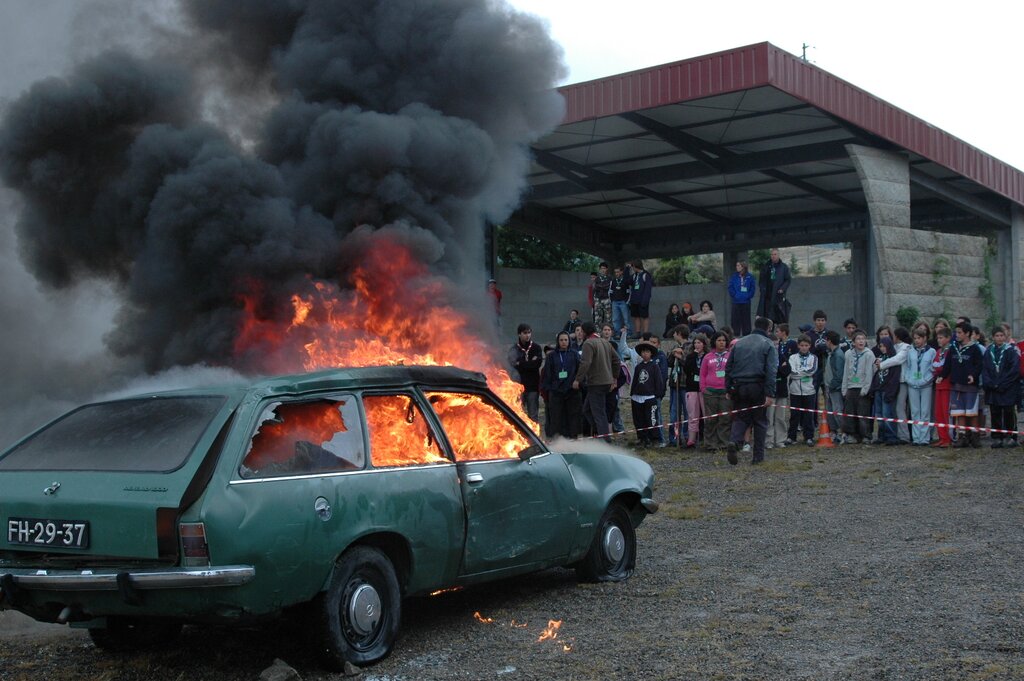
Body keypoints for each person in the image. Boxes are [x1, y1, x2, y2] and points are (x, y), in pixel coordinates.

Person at [725, 315, 778, 465]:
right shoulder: (768, 344)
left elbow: (728, 367)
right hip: (758, 385)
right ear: (768, 329)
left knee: (741, 417)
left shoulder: (739, 343)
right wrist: (769, 393)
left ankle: (734, 441)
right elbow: (771, 370)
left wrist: (728, 388)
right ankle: (758, 457)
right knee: (760, 421)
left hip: (740, 386)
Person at [573, 322, 621, 443]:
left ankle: (605, 440)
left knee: (599, 413)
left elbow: (586, 363)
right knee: (587, 410)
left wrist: (578, 379)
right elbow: (617, 360)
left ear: (584, 332)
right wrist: (614, 378)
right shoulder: (605, 342)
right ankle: (600, 433)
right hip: (606, 382)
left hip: (596, 383)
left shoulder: (588, 343)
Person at [941, 321, 984, 448]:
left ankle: (975, 436)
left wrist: (973, 375)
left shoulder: (975, 348)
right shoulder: (953, 347)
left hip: (970, 386)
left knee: (971, 412)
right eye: (956, 332)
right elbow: (948, 364)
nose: (957, 335)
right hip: (956, 385)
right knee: (959, 412)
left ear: (967, 333)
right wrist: (941, 376)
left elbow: (979, 365)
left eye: (959, 332)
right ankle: (962, 436)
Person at [982, 326, 1020, 448]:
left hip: (1007, 388)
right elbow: (985, 369)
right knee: (995, 412)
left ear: (1005, 336)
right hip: (994, 388)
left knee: (1008, 412)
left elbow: (1014, 370)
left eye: (1001, 335)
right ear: (993, 337)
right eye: (997, 336)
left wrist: (1003, 383)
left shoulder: (1010, 351)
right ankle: (997, 437)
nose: (999, 338)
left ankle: (1010, 436)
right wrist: (991, 383)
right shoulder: (989, 351)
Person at [541, 332, 582, 439]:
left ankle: (573, 438)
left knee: (572, 416)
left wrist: (578, 382)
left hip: (571, 391)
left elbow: (579, 370)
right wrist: (550, 387)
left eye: (566, 340)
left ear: (569, 341)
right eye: (561, 340)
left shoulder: (574, 354)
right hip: (556, 391)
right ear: (558, 342)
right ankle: (557, 439)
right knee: (556, 417)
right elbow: (547, 373)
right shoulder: (552, 356)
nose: (564, 342)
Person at [842, 329, 877, 444]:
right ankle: (852, 434)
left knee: (863, 414)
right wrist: (844, 388)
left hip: (862, 387)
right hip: (851, 387)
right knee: (850, 413)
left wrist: (866, 389)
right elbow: (846, 372)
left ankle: (866, 435)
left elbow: (869, 373)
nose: (861, 341)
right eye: (858, 339)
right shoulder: (848, 354)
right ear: (853, 342)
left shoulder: (868, 354)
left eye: (863, 339)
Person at [878, 327, 912, 443]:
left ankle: (904, 436)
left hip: (902, 381)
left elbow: (897, 359)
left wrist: (881, 364)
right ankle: (895, 433)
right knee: (893, 409)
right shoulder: (895, 346)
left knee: (900, 408)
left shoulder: (906, 347)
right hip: (893, 381)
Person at [700, 331, 732, 450]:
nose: (721, 343)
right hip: (710, 392)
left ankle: (724, 443)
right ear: (714, 342)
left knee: (725, 418)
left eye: (723, 340)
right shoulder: (708, 357)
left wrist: (731, 389)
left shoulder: (730, 356)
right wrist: (703, 389)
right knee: (711, 419)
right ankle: (710, 444)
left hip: (725, 392)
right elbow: (702, 374)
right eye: (719, 340)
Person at [630, 341, 666, 447]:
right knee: (639, 419)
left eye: (647, 352)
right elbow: (635, 380)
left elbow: (659, 382)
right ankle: (642, 438)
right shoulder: (638, 367)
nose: (645, 354)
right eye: (643, 352)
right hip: (637, 397)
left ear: (651, 354)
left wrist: (658, 395)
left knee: (651, 419)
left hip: (650, 397)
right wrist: (633, 393)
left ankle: (654, 439)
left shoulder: (654, 366)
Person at [905, 328, 936, 446]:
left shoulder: (931, 351)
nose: (917, 341)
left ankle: (925, 438)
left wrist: (925, 380)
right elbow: (908, 367)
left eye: (919, 338)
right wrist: (909, 379)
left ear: (925, 338)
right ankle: (916, 437)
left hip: (926, 385)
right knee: (915, 411)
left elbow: (933, 368)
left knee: (925, 412)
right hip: (912, 384)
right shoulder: (910, 351)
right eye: (915, 338)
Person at [786, 334, 818, 446]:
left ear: (810, 346)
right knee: (794, 415)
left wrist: (800, 372)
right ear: (798, 346)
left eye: (806, 345)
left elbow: (811, 371)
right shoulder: (792, 357)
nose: (804, 347)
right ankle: (791, 436)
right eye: (802, 345)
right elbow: (792, 372)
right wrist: (803, 373)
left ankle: (809, 436)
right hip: (795, 390)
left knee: (808, 415)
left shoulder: (813, 357)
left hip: (809, 390)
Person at [768, 323, 796, 449]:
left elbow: (786, 371)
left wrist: (779, 369)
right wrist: (779, 369)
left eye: (777, 344)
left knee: (780, 417)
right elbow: (768, 372)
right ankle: (768, 441)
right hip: (770, 391)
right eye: (773, 344)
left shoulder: (783, 357)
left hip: (782, 390)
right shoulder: (766, 359)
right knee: (769, 418)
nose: (775, 346)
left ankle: (780, 440)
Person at [507, 323, 543, 423]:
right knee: (518, 415)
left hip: (532, 387)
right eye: (525, 333)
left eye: (529, 333)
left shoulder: (536, 348)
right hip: (519, 386)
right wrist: (529, 363)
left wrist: (521, 363)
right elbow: (512, 364)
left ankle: (534, 437)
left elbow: (536, 364)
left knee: (533, 415)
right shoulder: (514, 349)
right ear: (519, 334)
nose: (527, 335)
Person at [871, 337, 902, 445]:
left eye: (884, 346)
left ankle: (891, 436)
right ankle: (882, 435)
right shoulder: (879, 358)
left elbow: (894, 378)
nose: (883, 348)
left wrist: (891, 392)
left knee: (887, 413)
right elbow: (876, 374)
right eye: (881, 346)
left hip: (887, 390)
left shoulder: (893, 359)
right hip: (878, 389)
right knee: (879, 414)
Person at [683, 334, 708, 449]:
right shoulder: (690, 357)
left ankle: (707, 438)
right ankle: (691, 439)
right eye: (695, 343)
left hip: (704, 388)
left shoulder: (708, 356)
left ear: (704, 344)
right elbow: (687, 370)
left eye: (699, 343)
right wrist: (693, 356)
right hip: (692, 388)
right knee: (693, 414)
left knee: (706, 414)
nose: (697, 345)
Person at [931, 326, 954, 447]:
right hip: (938, 385)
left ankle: (948, 438)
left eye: (941, 337)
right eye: (937, 338)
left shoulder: (951, 350)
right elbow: (935, 365)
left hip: (947, 384)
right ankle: (941, 437)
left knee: (946, 413)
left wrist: (940, 370)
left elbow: (946, 367)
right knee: (938, 413)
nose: (938, 340)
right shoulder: (939, 351)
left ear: (948, 338)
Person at [756, 248, 792, 323]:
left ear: (778, 255)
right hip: (767, 297)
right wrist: (762, 289)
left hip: (778, 296)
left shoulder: (784, 267)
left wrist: (782, 288)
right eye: (772, 254)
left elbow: (788, 280)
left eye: (775, 254)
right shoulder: (766, 266)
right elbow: (761, 280)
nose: (773, 256)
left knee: (779, 318)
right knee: (768, 319)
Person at [824, 330, 846, 444]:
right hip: (830, 387)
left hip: (835, 388)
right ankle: (834, 432)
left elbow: (839, 375)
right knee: (830, 412)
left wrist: (832, 386)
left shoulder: (838, 355)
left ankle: (844, 433)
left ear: (829, 340)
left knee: (837, 411)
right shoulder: (831, 354)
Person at [727, 260, 757, 337]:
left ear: (743, 266)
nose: (737, 267)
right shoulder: (734, 276)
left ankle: (746, 335)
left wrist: (748, 295)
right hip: (736, 302)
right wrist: (734, 295)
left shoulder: (750, 276)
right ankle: (735, 335)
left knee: (746, 320)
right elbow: (730, 287)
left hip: (746, 302)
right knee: (735, 320)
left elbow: (752, 288)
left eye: (738, 265)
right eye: (736, 265)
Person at [667, 344, 687, 446]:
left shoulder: (690, 348)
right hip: (674, 385)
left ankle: (687, 437)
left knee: (687, 412)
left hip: (686, 385)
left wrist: (682, 357)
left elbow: (688, 365)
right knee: (674, 413)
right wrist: (672, 354)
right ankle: (674, 437)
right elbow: (669, 363)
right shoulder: (674, 346)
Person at [629, 260, 653, 337]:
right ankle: (638, 333)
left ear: (636, 266)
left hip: (642, 300)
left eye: (633, 266)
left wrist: (645, 300)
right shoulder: (634, 275)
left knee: (644, 316)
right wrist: (626, 270)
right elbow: (626, 282)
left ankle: (645, 333)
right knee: (636, 316)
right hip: (634, 300)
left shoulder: (645, 275)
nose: (632, 268)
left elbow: (648, 289)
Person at [610, 265, 633, 337]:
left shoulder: (625, 281)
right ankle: (617, 333)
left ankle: (629, 333)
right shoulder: (613, 281)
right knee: (615, 319)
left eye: (618, 272)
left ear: (621, 272)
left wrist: (627, 301)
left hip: (623, 302)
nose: (616, 273)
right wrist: (612, 300)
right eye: (615, 272)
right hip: (615, 302)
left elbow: (629, 291)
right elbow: (610, 291)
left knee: (626, 319)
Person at [592, 262, 612, 326]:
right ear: (599, 269)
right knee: (597, 318)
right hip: (598, 299)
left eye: (604, 268)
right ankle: (598, 333)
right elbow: (595, 287)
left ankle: (609, 333)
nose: (603, 270)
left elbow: (608, 286)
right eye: (601, 268)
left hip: (607, 299)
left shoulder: (609, 278)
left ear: (607, 269)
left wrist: (600, 286)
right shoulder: (597, 278)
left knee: (608, 318)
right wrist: (603, 286)